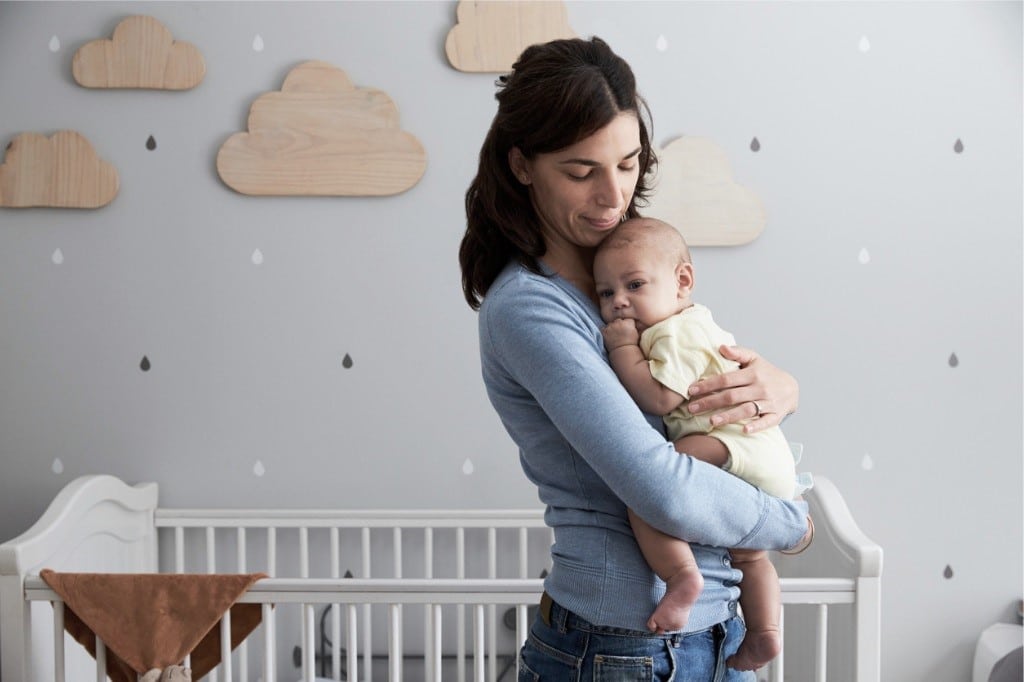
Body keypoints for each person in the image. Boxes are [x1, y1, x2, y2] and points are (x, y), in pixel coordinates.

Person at [458, 36, 811, 680]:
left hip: (716, 631)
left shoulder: (630, 279)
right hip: (621, 646)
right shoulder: (531, 308)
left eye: (627, 164)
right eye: (581, 171)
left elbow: (705, 396)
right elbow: (659, 484)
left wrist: (780, 388)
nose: (612, 196)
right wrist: (790, 524)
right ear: (521, 165)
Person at [594, 216, 813, 671]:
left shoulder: (672, 333)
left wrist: (622, 351)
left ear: (682, 281)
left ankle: (681, 577)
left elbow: (659, 397)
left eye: (634, 285)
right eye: (606, 293)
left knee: (646, 492)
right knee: (749, 556)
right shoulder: (699, 324)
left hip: (727, 442)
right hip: (762, 455)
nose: (619, 303)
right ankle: (764, 632)